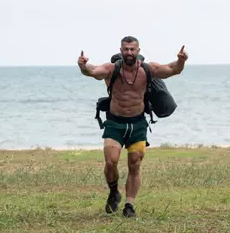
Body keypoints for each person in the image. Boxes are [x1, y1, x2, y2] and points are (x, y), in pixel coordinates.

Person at [78, 36, 188, 218]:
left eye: (132, 49)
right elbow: (94, 71)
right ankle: (114, 192)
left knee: (135, 164)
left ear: (138, 51)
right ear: (121, 51)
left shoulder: (147, 70)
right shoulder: (112, 69)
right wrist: (83, 66)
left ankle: (129, 205)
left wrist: (181, 61)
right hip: (115, 123)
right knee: (111, 161)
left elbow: (171, 69)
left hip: (137, 124)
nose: (129, 52)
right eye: (126, 49)